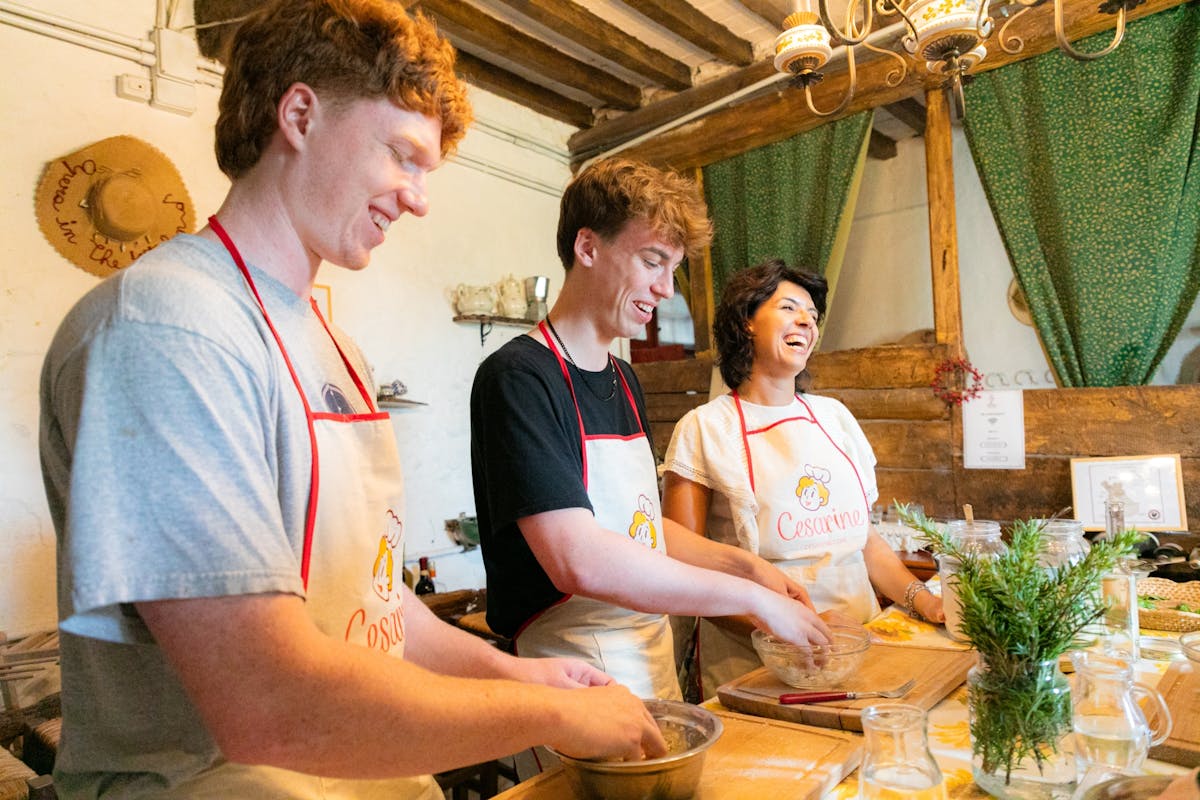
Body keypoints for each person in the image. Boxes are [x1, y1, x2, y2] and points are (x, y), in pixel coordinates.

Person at [38, 3, 667, 797]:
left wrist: (521, 679)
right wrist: (545, 721)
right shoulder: (170, 325)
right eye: (402, 156)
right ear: (299, 115)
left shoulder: (337, 350)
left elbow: (371, 608)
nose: (418, 198)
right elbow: (264, 701)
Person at [470, 159, 831, 703]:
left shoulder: (622, 379)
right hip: (572, 666)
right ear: (587, 248)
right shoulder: (519, 378)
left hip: (649, 649)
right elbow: (578, 560)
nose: (665, 288)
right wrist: (751, 600)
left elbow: (641, 530)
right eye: (652, 261)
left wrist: (751, 567)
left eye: (673, 269)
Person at [661, 259, 945, 697]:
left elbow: (864, 542)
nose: (805, 323)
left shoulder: (835, 418)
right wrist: (787, 624)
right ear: (746, 322)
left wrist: (926, 601)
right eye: (789, 308)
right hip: (756, 664)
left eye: (812, 316)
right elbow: (682, 570)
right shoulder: (704, 428)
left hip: (862, 648)